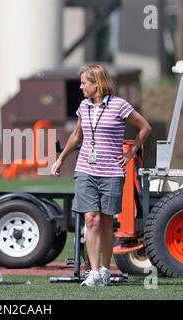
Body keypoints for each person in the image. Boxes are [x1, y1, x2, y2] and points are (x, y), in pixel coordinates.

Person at [51, 64, 151, 287]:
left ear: (96, 83)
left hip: (112, 172)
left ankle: (105, 270)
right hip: (86, 169)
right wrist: (61, 159)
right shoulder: (83, 107)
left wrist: (131, 151)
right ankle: (93, 271)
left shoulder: (119, 105)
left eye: (84, 83)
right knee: (91, 219)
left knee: (106, 221)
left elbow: (145, 127)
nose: (80, 86)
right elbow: (77, 135)